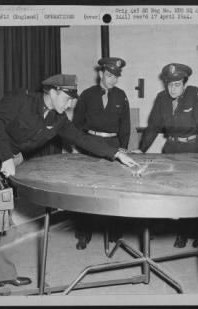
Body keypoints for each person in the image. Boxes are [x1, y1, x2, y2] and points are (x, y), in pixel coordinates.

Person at [0, 74, 139, 292]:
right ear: (53, 91)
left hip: (12, 159)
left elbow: (81, 138)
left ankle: (3, 275)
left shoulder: (57, 120)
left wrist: (115, 153)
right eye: (67, 99)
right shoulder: (21, 100)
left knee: (1, 214)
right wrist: (5, 157)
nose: (69, 105)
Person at [134, 63, 198, 248]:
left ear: (184, 83)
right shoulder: (161, 99)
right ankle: (180, 232)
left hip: (193, 150)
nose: (172, 88)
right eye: (169, 84)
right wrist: (141, 149)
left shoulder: (194, 94)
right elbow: (153, 127)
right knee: (174, 192)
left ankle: (197, 231)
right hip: (172, 150)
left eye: (177, 84)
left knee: (194, 193)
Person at [71, 57, 131, 250]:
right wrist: (76, 146)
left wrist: (123, 147)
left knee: (114, 189)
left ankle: (115, 232)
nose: (113, 80)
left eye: (116, 77)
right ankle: (83, 234)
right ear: (100, 74)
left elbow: (125, 125)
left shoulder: (121, 96)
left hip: (113, 144)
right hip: (90, 144)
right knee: (87, 189)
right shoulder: (87, 95)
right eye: (109, 75)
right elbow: (77, 125)